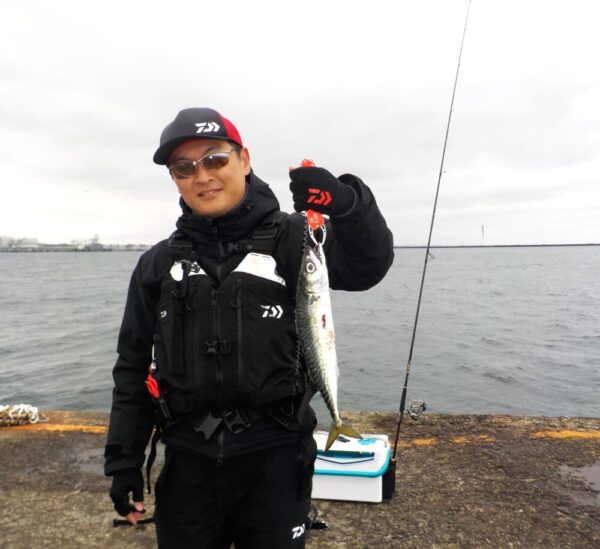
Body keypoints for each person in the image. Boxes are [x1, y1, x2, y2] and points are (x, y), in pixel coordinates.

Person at [104, 107, 394, 548]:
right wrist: (124, 461)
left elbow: (369, 265)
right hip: (187, 467)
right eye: (184, 167)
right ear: (175, 179)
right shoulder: (157, 264)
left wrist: (348, 204)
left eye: (215, 159)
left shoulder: (296, 240)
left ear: (244, 160)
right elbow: (131, 366)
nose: (202, 176)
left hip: (277, 463)